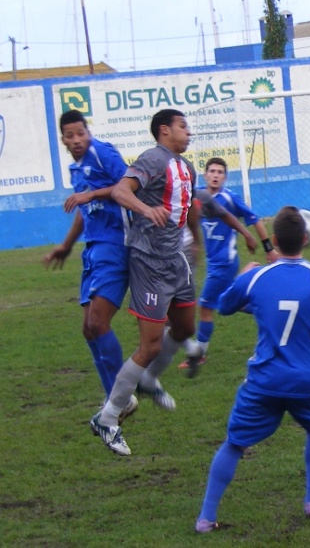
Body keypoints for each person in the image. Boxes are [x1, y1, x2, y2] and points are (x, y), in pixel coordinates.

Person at [89, 108, 256, 457]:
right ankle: (108, 417)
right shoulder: (153, 158)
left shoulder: (186, 167)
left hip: (176, 260)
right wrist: (145, 209)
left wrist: (196, 238)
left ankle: (148, 379)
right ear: (164, 130)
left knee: (184, 328)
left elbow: (191, 205)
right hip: (149, 261)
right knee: (150, 345)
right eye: (183, 126)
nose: (188, 132)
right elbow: (121, 191)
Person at [195, 205, 310, 533]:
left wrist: (243, 278)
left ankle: (205, 518)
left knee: (234, 443)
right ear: (305, 239)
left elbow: (224, 305)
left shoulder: (258, 277)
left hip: (266, 380)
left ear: (274, 239)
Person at [43, 110, 139, 422]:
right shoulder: (75, 168)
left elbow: (129, 186)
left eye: (80, 133)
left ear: (88, 132)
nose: (76, 140)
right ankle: (115, 398)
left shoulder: (102, 152)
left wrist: (92, 194)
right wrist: (66, 245)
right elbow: (85, 211)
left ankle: (121, 397)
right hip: (93, 248)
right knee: (88, 328)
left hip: (116, 244)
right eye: (70, 136)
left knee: (98, 322)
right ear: (63, 140)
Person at [179, 157, 279, 369]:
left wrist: (269, 249)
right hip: (213, 262)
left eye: (220, 172)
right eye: (212, 171)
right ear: (205, 175)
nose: (215, 175)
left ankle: (199, 355)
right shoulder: (198, 197)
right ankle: (269, 306)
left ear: (225, 177)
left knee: (205, 307)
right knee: (230, 302)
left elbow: (255, 220)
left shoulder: (230, 198)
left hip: (224, 263)